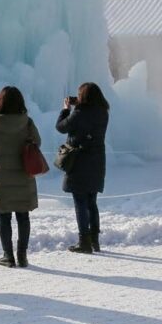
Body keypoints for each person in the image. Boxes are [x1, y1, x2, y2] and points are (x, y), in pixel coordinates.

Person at [0, 86, 41, 268]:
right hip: (23, 174)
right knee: (23, 216)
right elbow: (37, 142)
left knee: (4, 217)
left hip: (2, 177)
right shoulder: (27, 122)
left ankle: (8, 256)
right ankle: (22, 256)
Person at [56, 82, 110, 254]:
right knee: (92, 202)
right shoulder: (103, 112)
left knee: (80, 202)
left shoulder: (79, 113)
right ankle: (94, 241)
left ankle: (83, 242)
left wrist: (66, 109)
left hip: (79, 162)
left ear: (83, 97)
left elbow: (61, 127)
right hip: (97, 161)